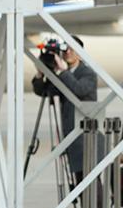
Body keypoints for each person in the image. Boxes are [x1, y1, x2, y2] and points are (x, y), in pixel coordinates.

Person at [31, 35, 99, 185]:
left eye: (72, 49)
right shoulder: (63, 75)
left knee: (92, 187)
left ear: (80, 53)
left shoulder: (87, 73)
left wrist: (62, 71)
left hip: (86, 138)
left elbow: (79, 89)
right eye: (65, 49)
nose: (68, 52)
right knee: (79, 185)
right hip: (71, 138)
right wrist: (40, 73)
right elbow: (43, 91)